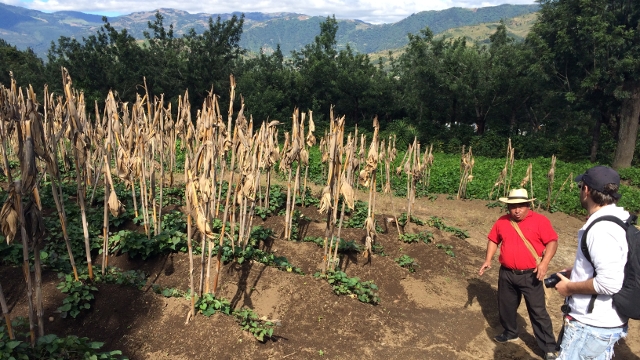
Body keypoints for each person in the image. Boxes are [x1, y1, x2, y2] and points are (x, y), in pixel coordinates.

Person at [554, 166, 629, 360]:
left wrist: (570, 287)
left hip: (591, 326)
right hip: (605, 322)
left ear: (586, 189)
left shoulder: (601, 229)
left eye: (581, 187)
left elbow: (609, 283)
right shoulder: (621, 220)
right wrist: (578, 271)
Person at [479, 188, 559, 360]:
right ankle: (510, 332)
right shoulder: (502, 221)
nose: (516, 210)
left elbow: (552, 242)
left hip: (531, 274)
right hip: (507, 273)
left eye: (520, 206)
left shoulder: (540, 221)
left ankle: (548, 347)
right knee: (506, 306)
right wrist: (488, 260)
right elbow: (493, 239)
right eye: (512, 206)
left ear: (527, 205)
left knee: (538, 311)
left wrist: (544, 264)